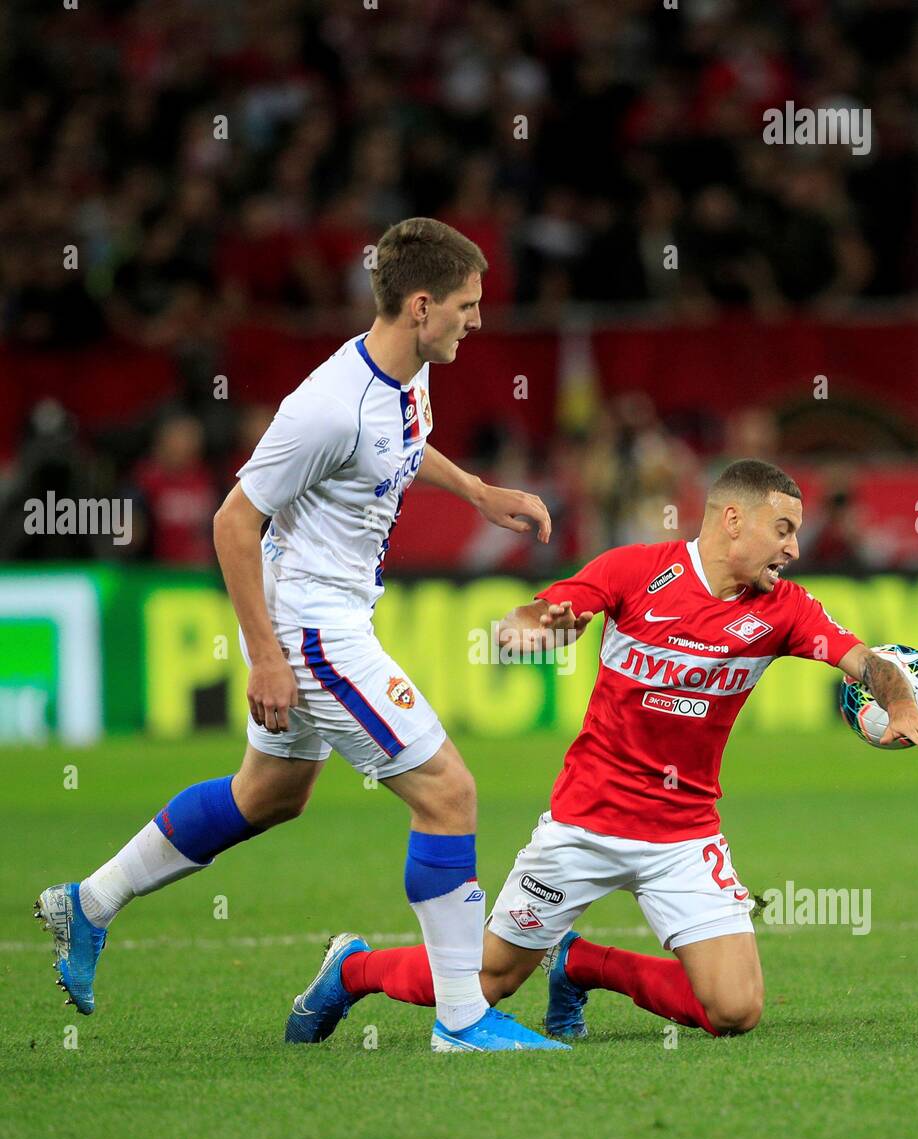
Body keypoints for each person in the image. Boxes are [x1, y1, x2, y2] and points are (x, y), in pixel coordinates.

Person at [34, 217, 565, 1053]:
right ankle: (462, 1020)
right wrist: (270, 659)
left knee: (268, 795)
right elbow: (233, 523)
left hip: (327, 612)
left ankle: (89, 901)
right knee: (448, 793)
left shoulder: (408, 373)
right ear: (421, 305)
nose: (477, 320)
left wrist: (474, 490)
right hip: (315, 629)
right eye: (466, 305)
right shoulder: (324, 407)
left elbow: (402, 447)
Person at [283, 458, 918, 1045]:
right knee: (485, 984)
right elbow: (549, 610)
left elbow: (866, 662)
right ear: (730, 520)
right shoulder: (636, 572)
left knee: (734, 1010)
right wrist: (529, 630)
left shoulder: (785, 609)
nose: (793, 549)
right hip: (584, 825)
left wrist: (898, 703)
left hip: (683, 836)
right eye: (782, 530)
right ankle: (352, 968)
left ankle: (582, 964)